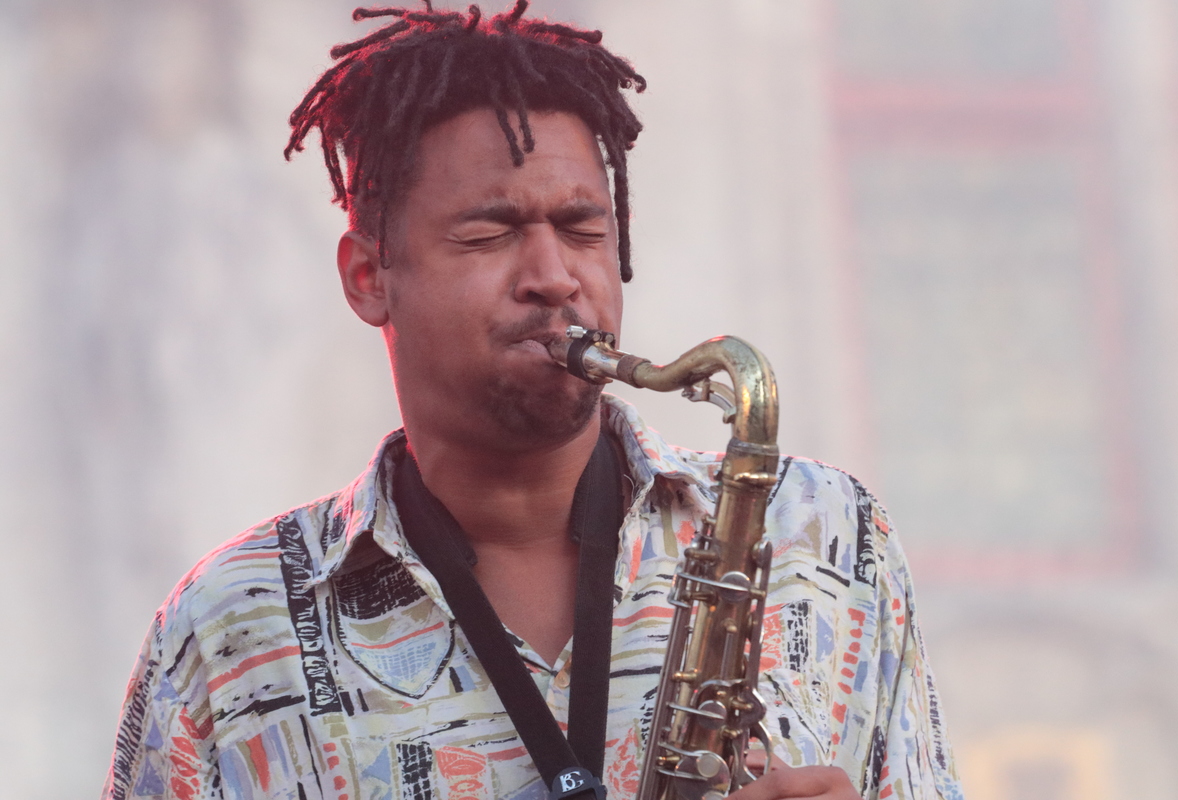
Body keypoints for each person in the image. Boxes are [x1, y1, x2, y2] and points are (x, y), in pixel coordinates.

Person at [104, 4, 963, 800]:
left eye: (584, 230)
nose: (555, 277)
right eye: (491, 233)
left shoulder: (827, 535)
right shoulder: (226, 629)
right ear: (368, 277)